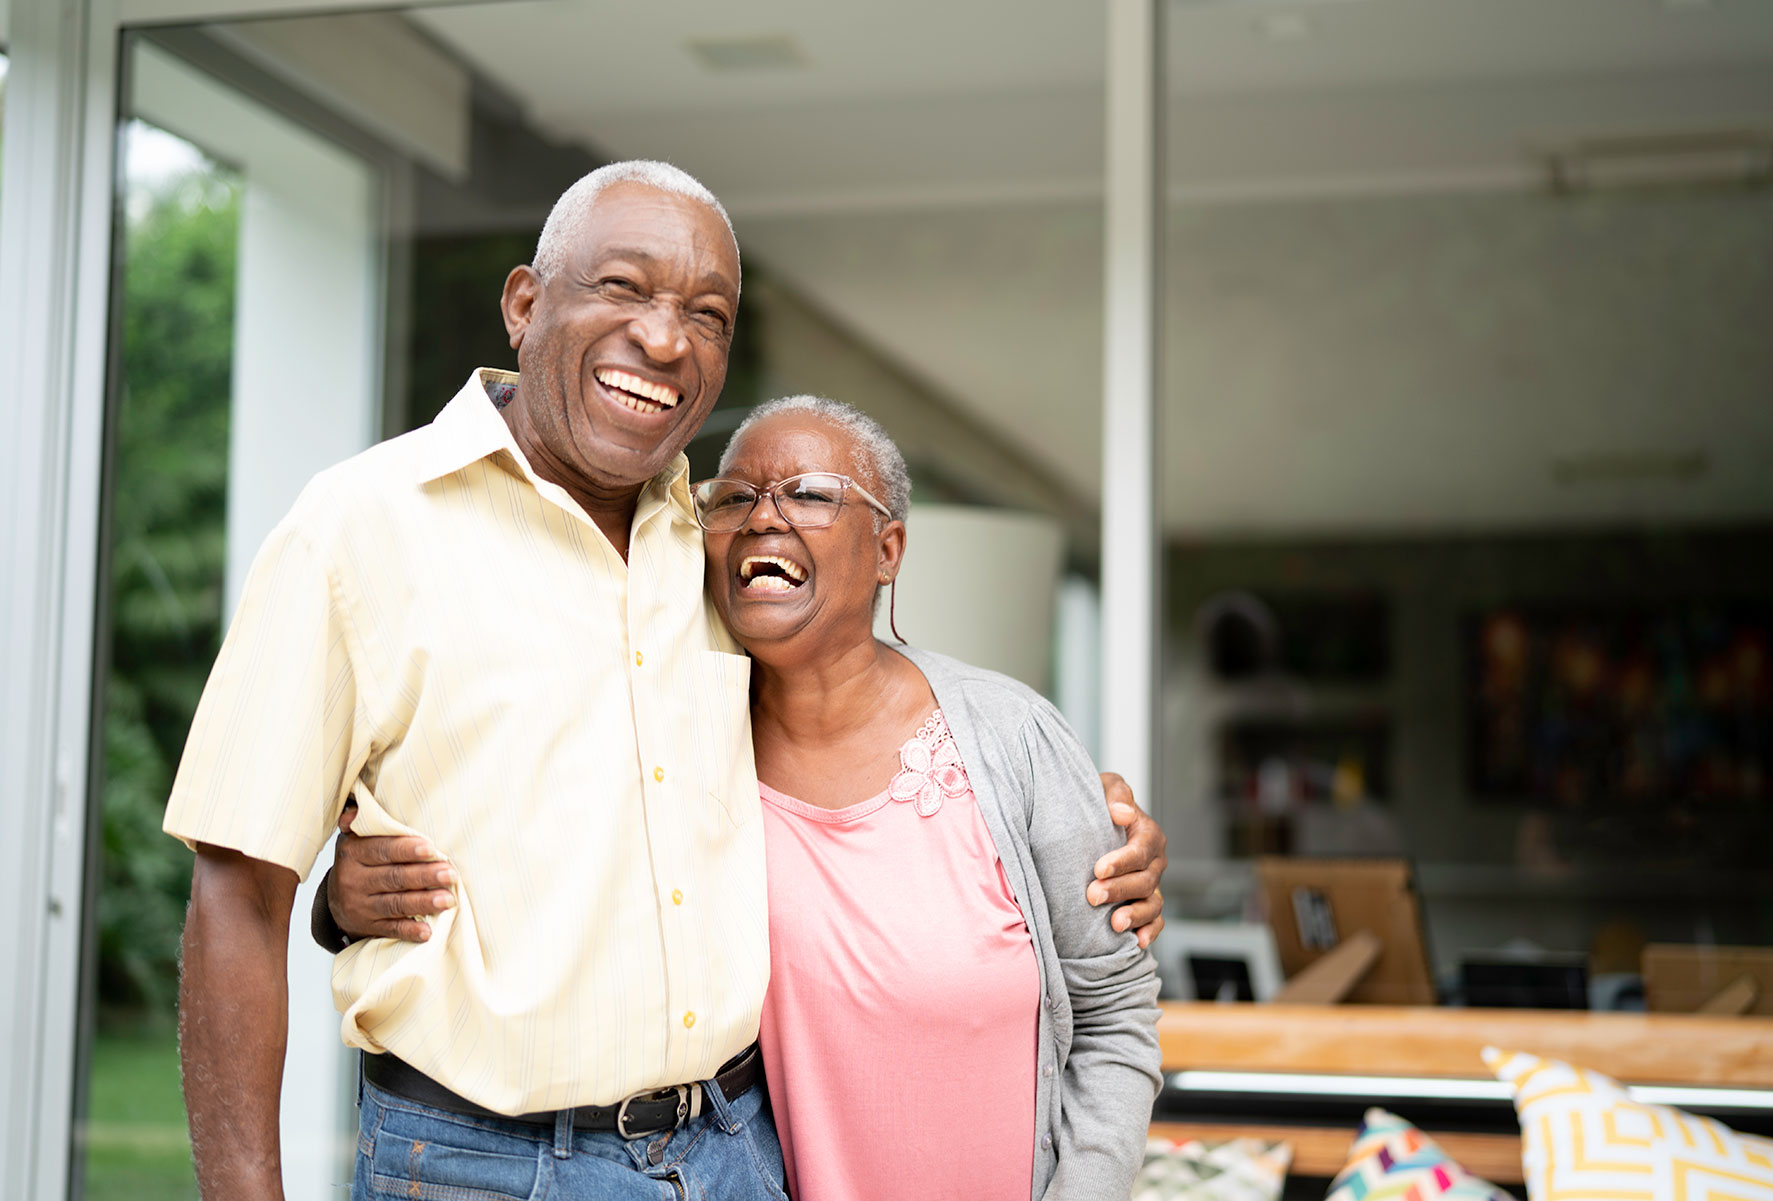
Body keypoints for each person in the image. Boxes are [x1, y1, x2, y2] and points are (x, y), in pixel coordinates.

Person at [162, 160, 1168, 1201]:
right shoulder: (357, 528)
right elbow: (237, 893)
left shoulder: (713, 542)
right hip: (483, 1166)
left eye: (708, 313)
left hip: (736, 1150)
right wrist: (333, 902)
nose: (665, 336)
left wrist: (1079, 817)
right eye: (623, 287)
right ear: (523, 303)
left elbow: (853, 719)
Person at [328, 395, 1162, 1200]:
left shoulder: (1012, 740)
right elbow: (524, 840)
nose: (765, 515)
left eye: (809, 493)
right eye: (732, 497)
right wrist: (339, 900)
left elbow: (1115, 1011)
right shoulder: (679, 747)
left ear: (888, 548)